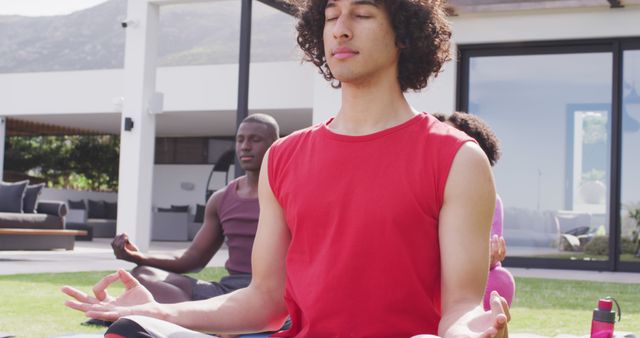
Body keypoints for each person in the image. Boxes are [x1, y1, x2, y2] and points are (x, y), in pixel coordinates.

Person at [62, 1, 511, 337]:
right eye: (332, 15)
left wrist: (475, 329)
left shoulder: (457, 159)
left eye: (362, 14)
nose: (341, 30)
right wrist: (159, 311)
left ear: (404, 34)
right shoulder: (285, 156)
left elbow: (461, 306)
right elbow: (265, 301)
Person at [110, 113, 280, 304]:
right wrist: (138, 256)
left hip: (274, 291)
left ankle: (207, 320)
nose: (245, 146)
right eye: (240, 140)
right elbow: (192, 259)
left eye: (255, 140)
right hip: (230, 291)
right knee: (144, 274)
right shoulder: (221, 199)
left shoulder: (290, 194)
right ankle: (205, 320)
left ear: (275, 144)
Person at [433, 111, 515, 311]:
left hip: (467, 271)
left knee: (499, 277)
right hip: (433, 268)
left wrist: (485, 259)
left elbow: (487, 249)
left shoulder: (491, 199)